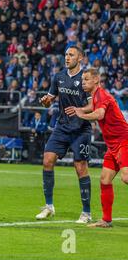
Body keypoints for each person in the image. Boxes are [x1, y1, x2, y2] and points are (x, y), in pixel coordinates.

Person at [65, 68, 128, 228]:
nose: (83, 82)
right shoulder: (95, 96)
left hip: (124, 141)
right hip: (113, 146)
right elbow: (92, 107)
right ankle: (106, 220)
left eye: (86, 79)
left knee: (126, 177)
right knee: (105, 180)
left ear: (96, 80)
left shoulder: (102, 95)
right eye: (83, 79)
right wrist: (79, 109)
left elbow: (99, 114)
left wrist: (82, 115)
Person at [37, 46, 93, 223]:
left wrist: (79, 110)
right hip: (62, 127)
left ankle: (86, 213)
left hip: (81, 128)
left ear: (80, 58)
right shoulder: (59, 77)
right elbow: (49, 101)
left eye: (71, 55)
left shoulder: (86, 78)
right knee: (47, 160)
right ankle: (49, 207)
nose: (67, 58)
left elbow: (93, 106)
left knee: (80, 167)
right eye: (66, 55)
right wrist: (45, 102)